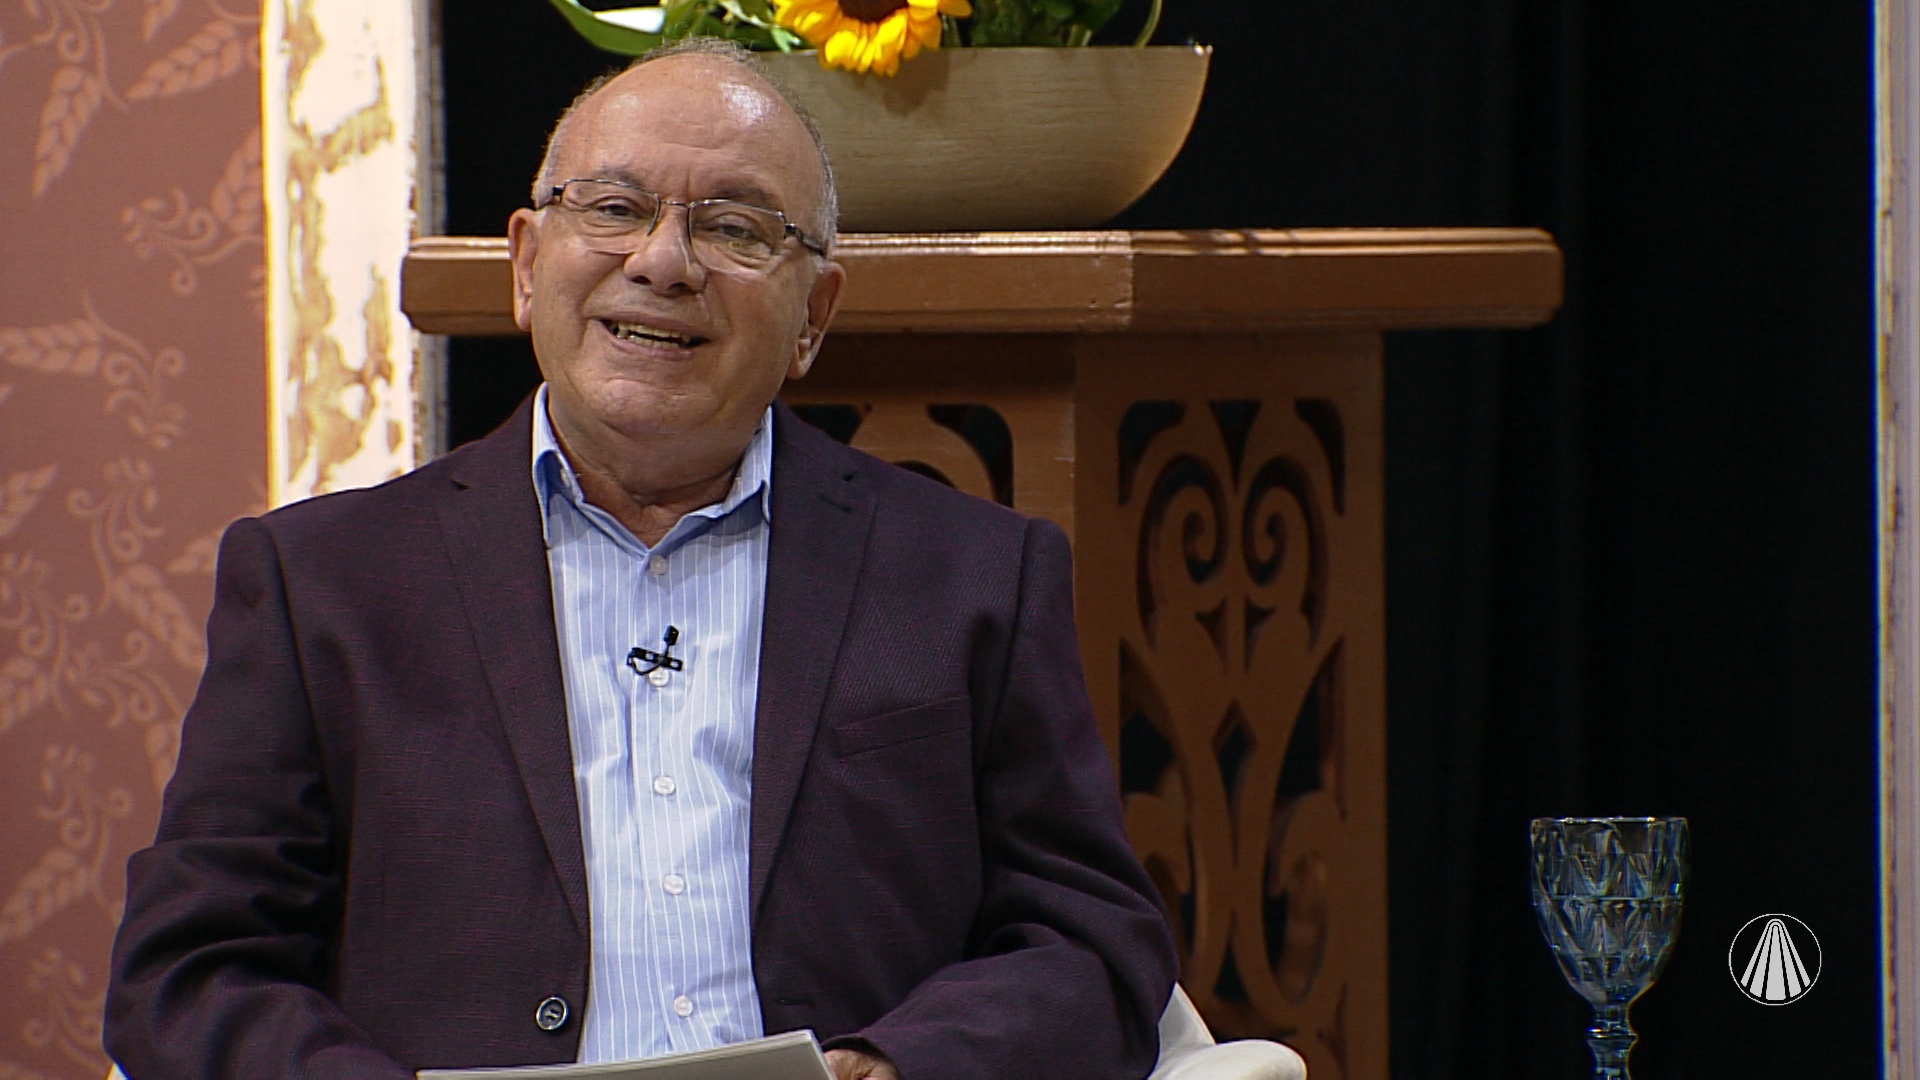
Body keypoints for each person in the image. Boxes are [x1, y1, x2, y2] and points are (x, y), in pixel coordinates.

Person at [104, 39, 1176, 1080]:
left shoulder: (974, 576)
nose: (663, 262)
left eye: (736, 228)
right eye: (614, 209)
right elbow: (190, 976)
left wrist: (895, 1067)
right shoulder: (322, 585)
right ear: (527, 265)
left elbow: (1092, 943)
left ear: (814, 316)